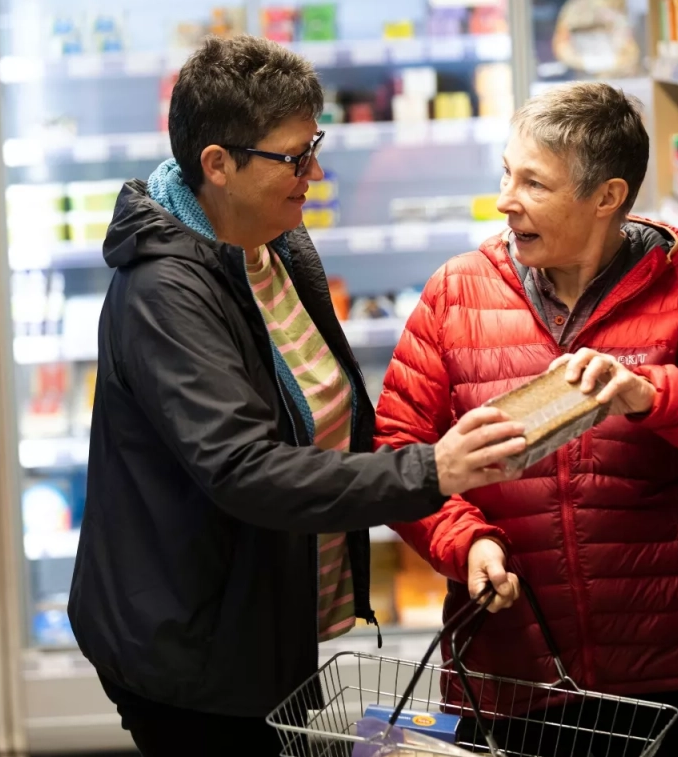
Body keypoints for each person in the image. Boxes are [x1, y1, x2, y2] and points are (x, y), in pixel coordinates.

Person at [67, 35, 527, 757]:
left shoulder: (270, 243)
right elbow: (246, 467)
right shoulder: (165, 293)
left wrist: (453, 517)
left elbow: (326, 412)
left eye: (313, 143)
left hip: (263, 615)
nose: (314, 170)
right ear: (217, 165)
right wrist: (431, 470)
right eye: (292, 156)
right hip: (193, 651)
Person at [375, 82, 678, 757]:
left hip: (669, 668)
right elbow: (398, 452)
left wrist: (655, 394)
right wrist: (467, 543)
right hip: (512, 666)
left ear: (606, 197)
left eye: (533, 183)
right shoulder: (458, 291)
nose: (506, 201)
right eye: (506, 174)